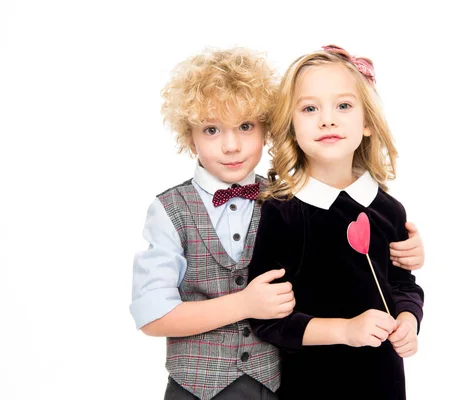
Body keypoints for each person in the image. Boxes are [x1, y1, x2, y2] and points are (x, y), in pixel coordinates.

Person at [130, 46, 425, 400]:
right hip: (197, 388)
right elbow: (152, 313)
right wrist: (245, 304)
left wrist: (409, 260)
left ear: (269, 129)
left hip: (275, 384)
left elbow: (391, 277)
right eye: (211, 129)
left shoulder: (281, 198)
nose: (231, 145)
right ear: (187, 135)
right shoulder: (174, 209)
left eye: (245, 126)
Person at [247, 45, 425, 400]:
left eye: (343, 106)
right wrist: (345, 330)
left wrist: (408, 319)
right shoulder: (281, 212)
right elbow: (267, 319)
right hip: (312, 385)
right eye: (310, 108)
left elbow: (403, 284)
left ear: (368, 123)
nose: (327, 119)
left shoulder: (388, 210)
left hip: (384, 383)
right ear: (291, 127)